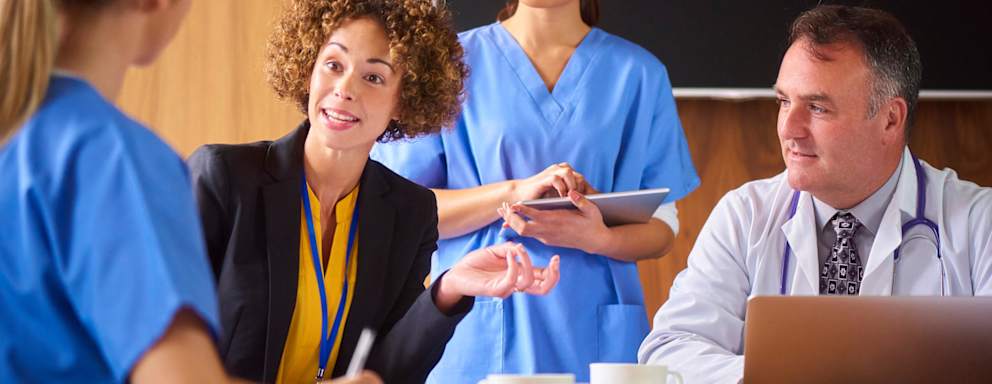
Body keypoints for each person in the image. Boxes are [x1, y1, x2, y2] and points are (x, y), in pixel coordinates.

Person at [187, 1, 561, 383]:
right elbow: (160, 354)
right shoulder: (224, 178)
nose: (344, 89)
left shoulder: (410, 212)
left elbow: (387, 373)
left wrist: (449, 288)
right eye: (333, 65)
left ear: (405, 100)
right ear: (308, 70)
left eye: (374, 78)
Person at [638, 5, 992, 383]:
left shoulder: (979, 221)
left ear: (890, 119)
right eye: (784, 101)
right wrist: (780, 374)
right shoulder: (744, 215)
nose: (789, 128)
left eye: (817, 107)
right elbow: (670, 348)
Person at [371, 0, 699, 382]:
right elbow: (402, 213)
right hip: (478, 328)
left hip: (596, 338)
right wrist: (515, 192)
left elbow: (663, 229)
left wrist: (598, 238)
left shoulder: (638, 74)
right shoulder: (445, 66)